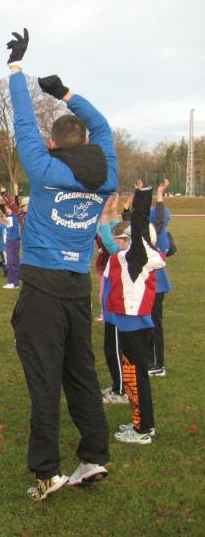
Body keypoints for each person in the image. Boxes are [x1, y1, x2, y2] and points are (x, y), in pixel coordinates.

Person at [6, 28, 116, 499]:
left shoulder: (45, 170)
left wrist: (17, 71)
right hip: (76, 288)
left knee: (44, 381)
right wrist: (66, 93)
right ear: (85, 142)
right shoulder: (107, 174)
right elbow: (103, 127)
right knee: (81, 374)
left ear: (53, 145)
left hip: (43, 291)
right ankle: (93, 456)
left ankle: (47, 471)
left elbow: (23, 124)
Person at [103, 182, 164, 444]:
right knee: (136, 378)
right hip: (132, 325)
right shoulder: (134, 255)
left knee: (134, 378)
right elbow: (131, 231)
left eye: (127, 238)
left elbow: (139, 222)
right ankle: (144, 424)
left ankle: (141, 431)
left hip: (133, 326)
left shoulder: (138, 256)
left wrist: (143, 196)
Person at [96, 196, 129, 405]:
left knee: (114, 351)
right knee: (111, 350)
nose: (114, 241)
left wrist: (102, 214)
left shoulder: (123, 256)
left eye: (119, 239)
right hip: (112, 310)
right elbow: (116, 232)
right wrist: (113, 211)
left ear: (126, 242)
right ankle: (118, 385)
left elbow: (108, 238)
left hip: (118, 312)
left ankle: (121, 391)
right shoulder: (123, 251)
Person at [148, 179, 172, 376]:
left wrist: (159, 194)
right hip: (151, 285)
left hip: (157, 286)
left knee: (154, 325)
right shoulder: (153, 233)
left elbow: (158, 217)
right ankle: (150, 360)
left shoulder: (159, 232)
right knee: (148, 324)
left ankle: (158, 365)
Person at [2, 203, 21, 290]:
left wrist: (16, 195)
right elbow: (2, 211)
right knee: (9, 262)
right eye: (6, 208)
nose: (7, 210)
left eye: (9, 208)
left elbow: (16, 205)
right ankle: (10, 282)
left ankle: (15, 283)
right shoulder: (7, 216)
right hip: (9, 240)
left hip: (14, 240)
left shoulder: (16, 215)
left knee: (14, 262)